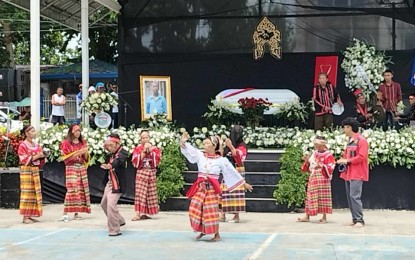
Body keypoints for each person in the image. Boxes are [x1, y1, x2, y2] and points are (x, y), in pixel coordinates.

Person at [180, 132, 253, 241]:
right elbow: (189, 150)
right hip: (201, 187)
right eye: (204, 144)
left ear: (214, 146)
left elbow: (232, 172)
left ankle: (216, 234)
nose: (204, 146)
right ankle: (203, 230)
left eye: (207, 144)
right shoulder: (200, 155)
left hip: (212, 189)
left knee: (211, 212)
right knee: (194, 208)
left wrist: (243, 183)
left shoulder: (221, 160)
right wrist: (183, 141)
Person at [337, 117, 369, 228]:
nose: (344, 130)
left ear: (350, 127)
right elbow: (347, 155)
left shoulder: (361, 140)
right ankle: (355, 219)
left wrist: (348, 160)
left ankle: (360, 220)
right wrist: (343, 159)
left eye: (345, 128)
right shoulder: (350, 141)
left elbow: (362, 157)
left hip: (357, 172)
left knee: (355, 196)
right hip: (348, 172)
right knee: (350, 197)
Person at [297, 136, 335, 224]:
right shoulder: (314, 153)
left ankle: (324, 217)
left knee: (323, 197)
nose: (315, 146)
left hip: (323, 177)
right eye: (315, 144)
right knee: (310, 196)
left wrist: (321, 166)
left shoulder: (328, 154)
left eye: (317, 144)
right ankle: (307, 215)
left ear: (322, 144)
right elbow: (310, 164)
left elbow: (331, 166)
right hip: (313, 176)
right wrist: (307, 161)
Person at [60, 124, 91, 222]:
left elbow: (85, 158)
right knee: (72, 189)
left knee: (81, 189)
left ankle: (76, 212)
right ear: (71, 132)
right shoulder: (66, 143)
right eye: (76, 130)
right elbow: (66, 158)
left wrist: (85, 153)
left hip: (81, 167)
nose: (78, 132)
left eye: (79, 130)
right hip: (71, 167)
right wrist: (78, 153)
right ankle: (65, 213)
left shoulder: (82, 142)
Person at [100, 133, 128, 236]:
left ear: (117, 144)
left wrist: (110, 166)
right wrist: (106, 148)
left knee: (111, 205)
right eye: (108, 145)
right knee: (103, 204)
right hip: (110, 181)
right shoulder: (111, 153)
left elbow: (118, 161)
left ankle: (114, 229)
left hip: (118, 183)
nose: (109, 147)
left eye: (111, 145)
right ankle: (120, 220)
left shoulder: (123, 153)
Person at [17, 125, 46, 224]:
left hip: (35, 170)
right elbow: (23, 159)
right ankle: (25, 216)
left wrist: (43, 156)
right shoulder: (23, 145)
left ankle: (30, 214)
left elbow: (40, 159)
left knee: (34, 193)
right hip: (27, 170)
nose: (34, 132)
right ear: (26, 133)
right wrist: (38, 156)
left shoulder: (36, 145)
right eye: (32, 131)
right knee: (27, 193)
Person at [131, 130, 161, 221]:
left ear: (149, 138)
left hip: (151, 172)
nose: (145, 139)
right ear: (140, 139)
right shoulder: (138, 149)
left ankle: (145, 213)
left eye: (146, 137)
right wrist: (144, 152)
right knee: (140, 194)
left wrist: (151, 152)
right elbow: (135, 161)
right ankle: (138, 213)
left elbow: (158, 160)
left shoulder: (155, 148)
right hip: (142, 172)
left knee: (150, 193)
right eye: (143, 138)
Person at [220, 125, 247, 223]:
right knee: (224, 192)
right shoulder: (227, 143)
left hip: (237, 170)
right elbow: (222, 155)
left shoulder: (242, 145)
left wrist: (231, 146)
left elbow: (240, 158)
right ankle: (222, 215)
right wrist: (220, 144)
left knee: (235, 193)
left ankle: (236, 216)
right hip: (227, 170)